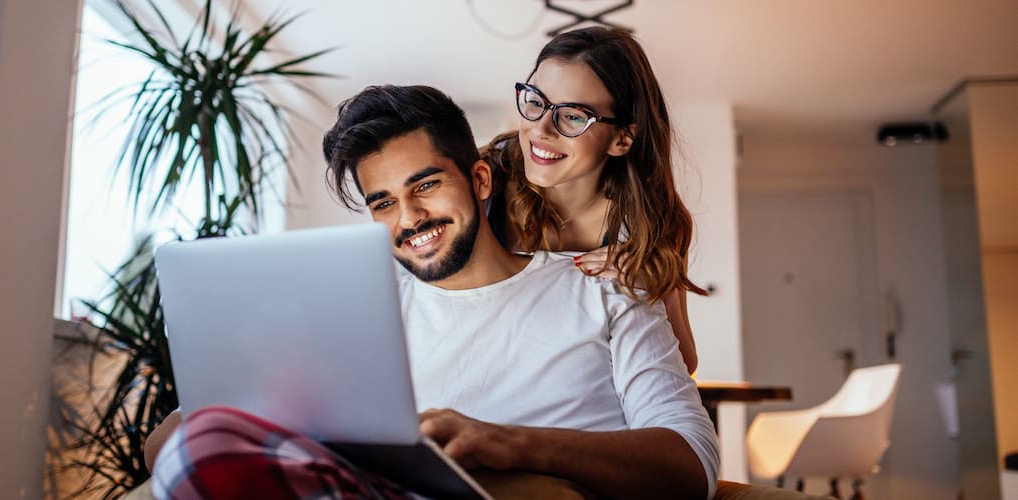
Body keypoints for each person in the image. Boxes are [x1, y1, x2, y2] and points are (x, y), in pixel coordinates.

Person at [145, 85, 718, 499]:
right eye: (383, 202)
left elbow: (693, 460)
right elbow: (168, 447)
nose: (410, 217)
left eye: (426, 185)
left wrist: (512, 444)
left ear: (480, 179)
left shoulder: (604, 290)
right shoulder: (354, 311)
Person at [481, 27, 704, 373]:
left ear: (622, 138)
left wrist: (656, 285)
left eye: (572, 116)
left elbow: (683, 362)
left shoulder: (653, 222)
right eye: (536, 101)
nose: (541, 130)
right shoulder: (484, 181)